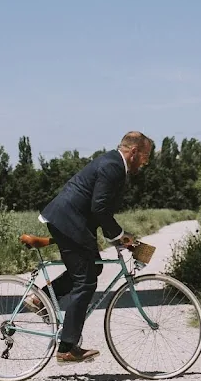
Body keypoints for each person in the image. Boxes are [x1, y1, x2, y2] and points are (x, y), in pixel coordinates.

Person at [26, 131, 153, 364]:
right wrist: (120, 235)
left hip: (72, 222)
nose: (146, 162)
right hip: (69, 222)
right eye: (146, 156)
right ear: (134, 151)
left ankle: (40, 299)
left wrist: (118, 238)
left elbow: (99, 210)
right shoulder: (113, 166)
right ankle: (67, 348)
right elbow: (100, 208)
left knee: (93, 268)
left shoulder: (113, 163)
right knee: (85, 281)